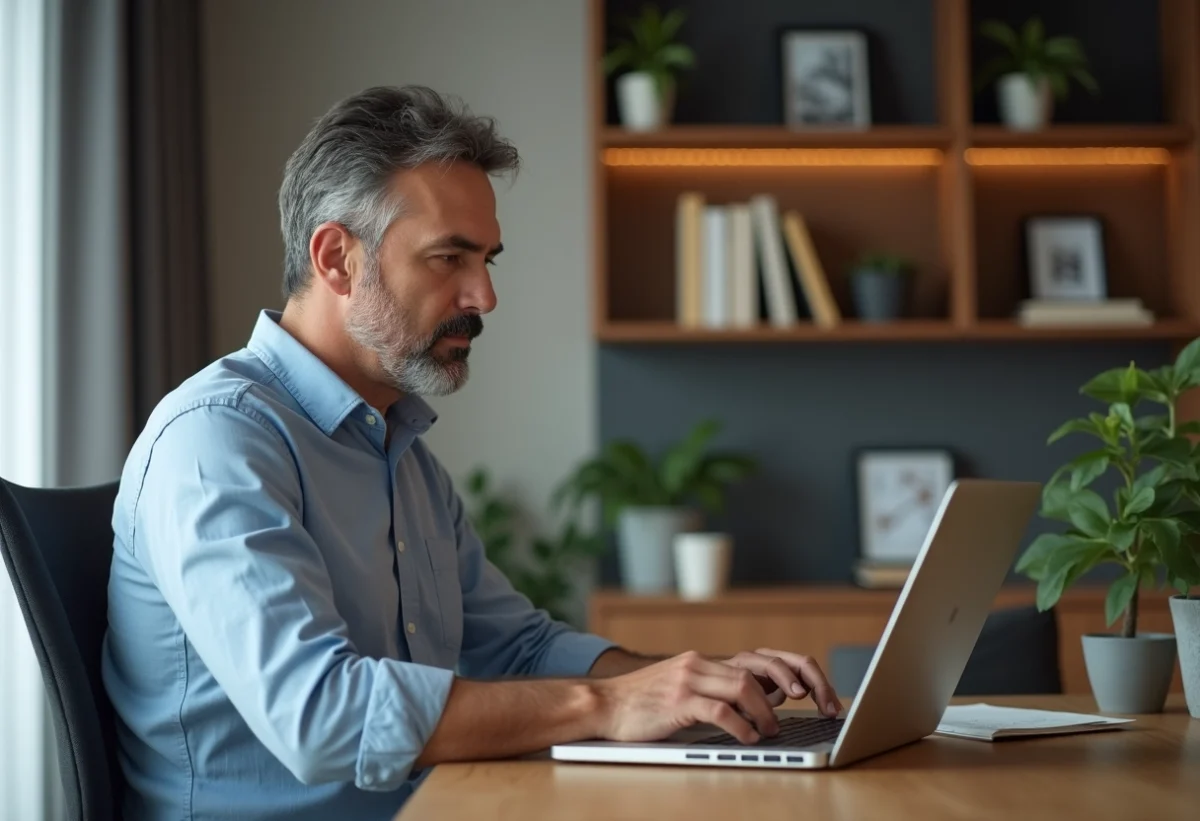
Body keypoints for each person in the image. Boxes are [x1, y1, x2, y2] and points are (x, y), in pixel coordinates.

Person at [101, 85, 841, 821]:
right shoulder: (215, 441)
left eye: (486, 259)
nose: (483, 295)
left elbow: (517, 647)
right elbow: (322, 717)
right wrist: (609, 704)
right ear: (337, 259)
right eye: (448, 257)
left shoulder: (401, 451)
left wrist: (689, 682)